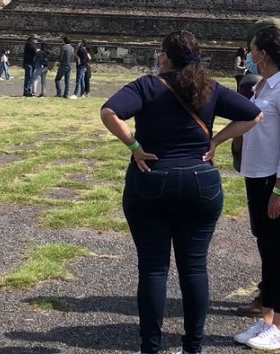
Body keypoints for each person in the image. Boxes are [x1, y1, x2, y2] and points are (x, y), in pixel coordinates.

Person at [100, 30, 261, 354]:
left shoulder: (147, 85)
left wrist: (134, 146)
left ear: (166, 56)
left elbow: (109, 112)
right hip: (200, 181)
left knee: (153, 268)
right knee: (194, 267)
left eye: (161, 52)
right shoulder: (208, 87)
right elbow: (254, 114)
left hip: (152, 178)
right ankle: (193, 347)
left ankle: (151, 347)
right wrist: (215, 141)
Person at [235, 25, 280, 351]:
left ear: (263, 54)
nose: (248, 54)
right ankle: (265, 319)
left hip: (276, 182)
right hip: (257, 176)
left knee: (278, 253)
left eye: (251, 49)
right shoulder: (262, 86)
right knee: (266, 250)